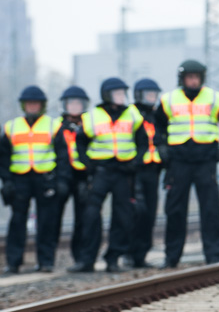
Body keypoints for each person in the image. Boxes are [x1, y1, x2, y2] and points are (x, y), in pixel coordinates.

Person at [154, 60, 219, 268]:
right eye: (189, 77)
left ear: (202, 78)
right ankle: (171, 257)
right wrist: (161, 147)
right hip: (178, 162)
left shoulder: (214, 98)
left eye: (196, 77)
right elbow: (157, 126)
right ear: (181, 79)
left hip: (205, 161)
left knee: (210, 209)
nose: (193, 81)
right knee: (174, 210)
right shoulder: (168, 100)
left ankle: (214, 255)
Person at [67, 78, 147, 273]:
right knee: (91, 215)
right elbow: (80, 142)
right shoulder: (92, 116)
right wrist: (88, 165)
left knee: (123, 216)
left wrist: (135, 163)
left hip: (123, 172)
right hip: (100, 172)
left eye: (123, 93)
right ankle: (87, 260)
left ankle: (113, 258)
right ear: (106, 95)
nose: (121, 96)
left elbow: (143, 142)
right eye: (117, 93)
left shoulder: (133, 115)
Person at [0, 86, 69, 274]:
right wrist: (6, 181)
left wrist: (61, 180)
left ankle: (46, 262)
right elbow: (3, 157)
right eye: (29, 103)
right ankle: (13, 263)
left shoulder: (53, 126)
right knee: (17, 222)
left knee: (47, 222)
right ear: (24, 105)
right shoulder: (11, 127)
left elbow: (63, 156)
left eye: (36, 103)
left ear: (42, 105)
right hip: (19, 179)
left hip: (45, 178)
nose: (32, 106)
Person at [53, 86, 93, 264]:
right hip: (61, 176)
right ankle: (47, 259)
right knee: (53, 218)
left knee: (83, 219)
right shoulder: (55, 127)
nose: (75, 107)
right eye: (71, 103)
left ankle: (80, 257)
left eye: (78, 103)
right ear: (65, 105)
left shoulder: (89, 126)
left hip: (83, 177)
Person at [127, 78, 163, 268]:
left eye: (154, 94)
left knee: (150, 213)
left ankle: (142, 254)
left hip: (153, 170)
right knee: (136, 212)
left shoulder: (157, 116)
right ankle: (129, 252)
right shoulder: (130, 114)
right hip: (135, 171)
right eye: (148, 94)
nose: (152, 98)